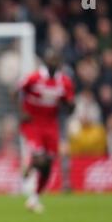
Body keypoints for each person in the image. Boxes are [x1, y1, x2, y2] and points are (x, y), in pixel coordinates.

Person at [13, 48, 75, 213]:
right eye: (50, 59)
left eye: (56, 60)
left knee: (48, 164)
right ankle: (31, 164)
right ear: (45, 62)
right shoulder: (34, 78)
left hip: (51, 125)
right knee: (40, 158)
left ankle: (34, 198)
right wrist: (22, 112)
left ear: (60, 63)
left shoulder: (65, 82)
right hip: (32, 123)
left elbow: (69, 106)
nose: (53, 63)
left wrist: (70, 106)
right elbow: (15, 91)